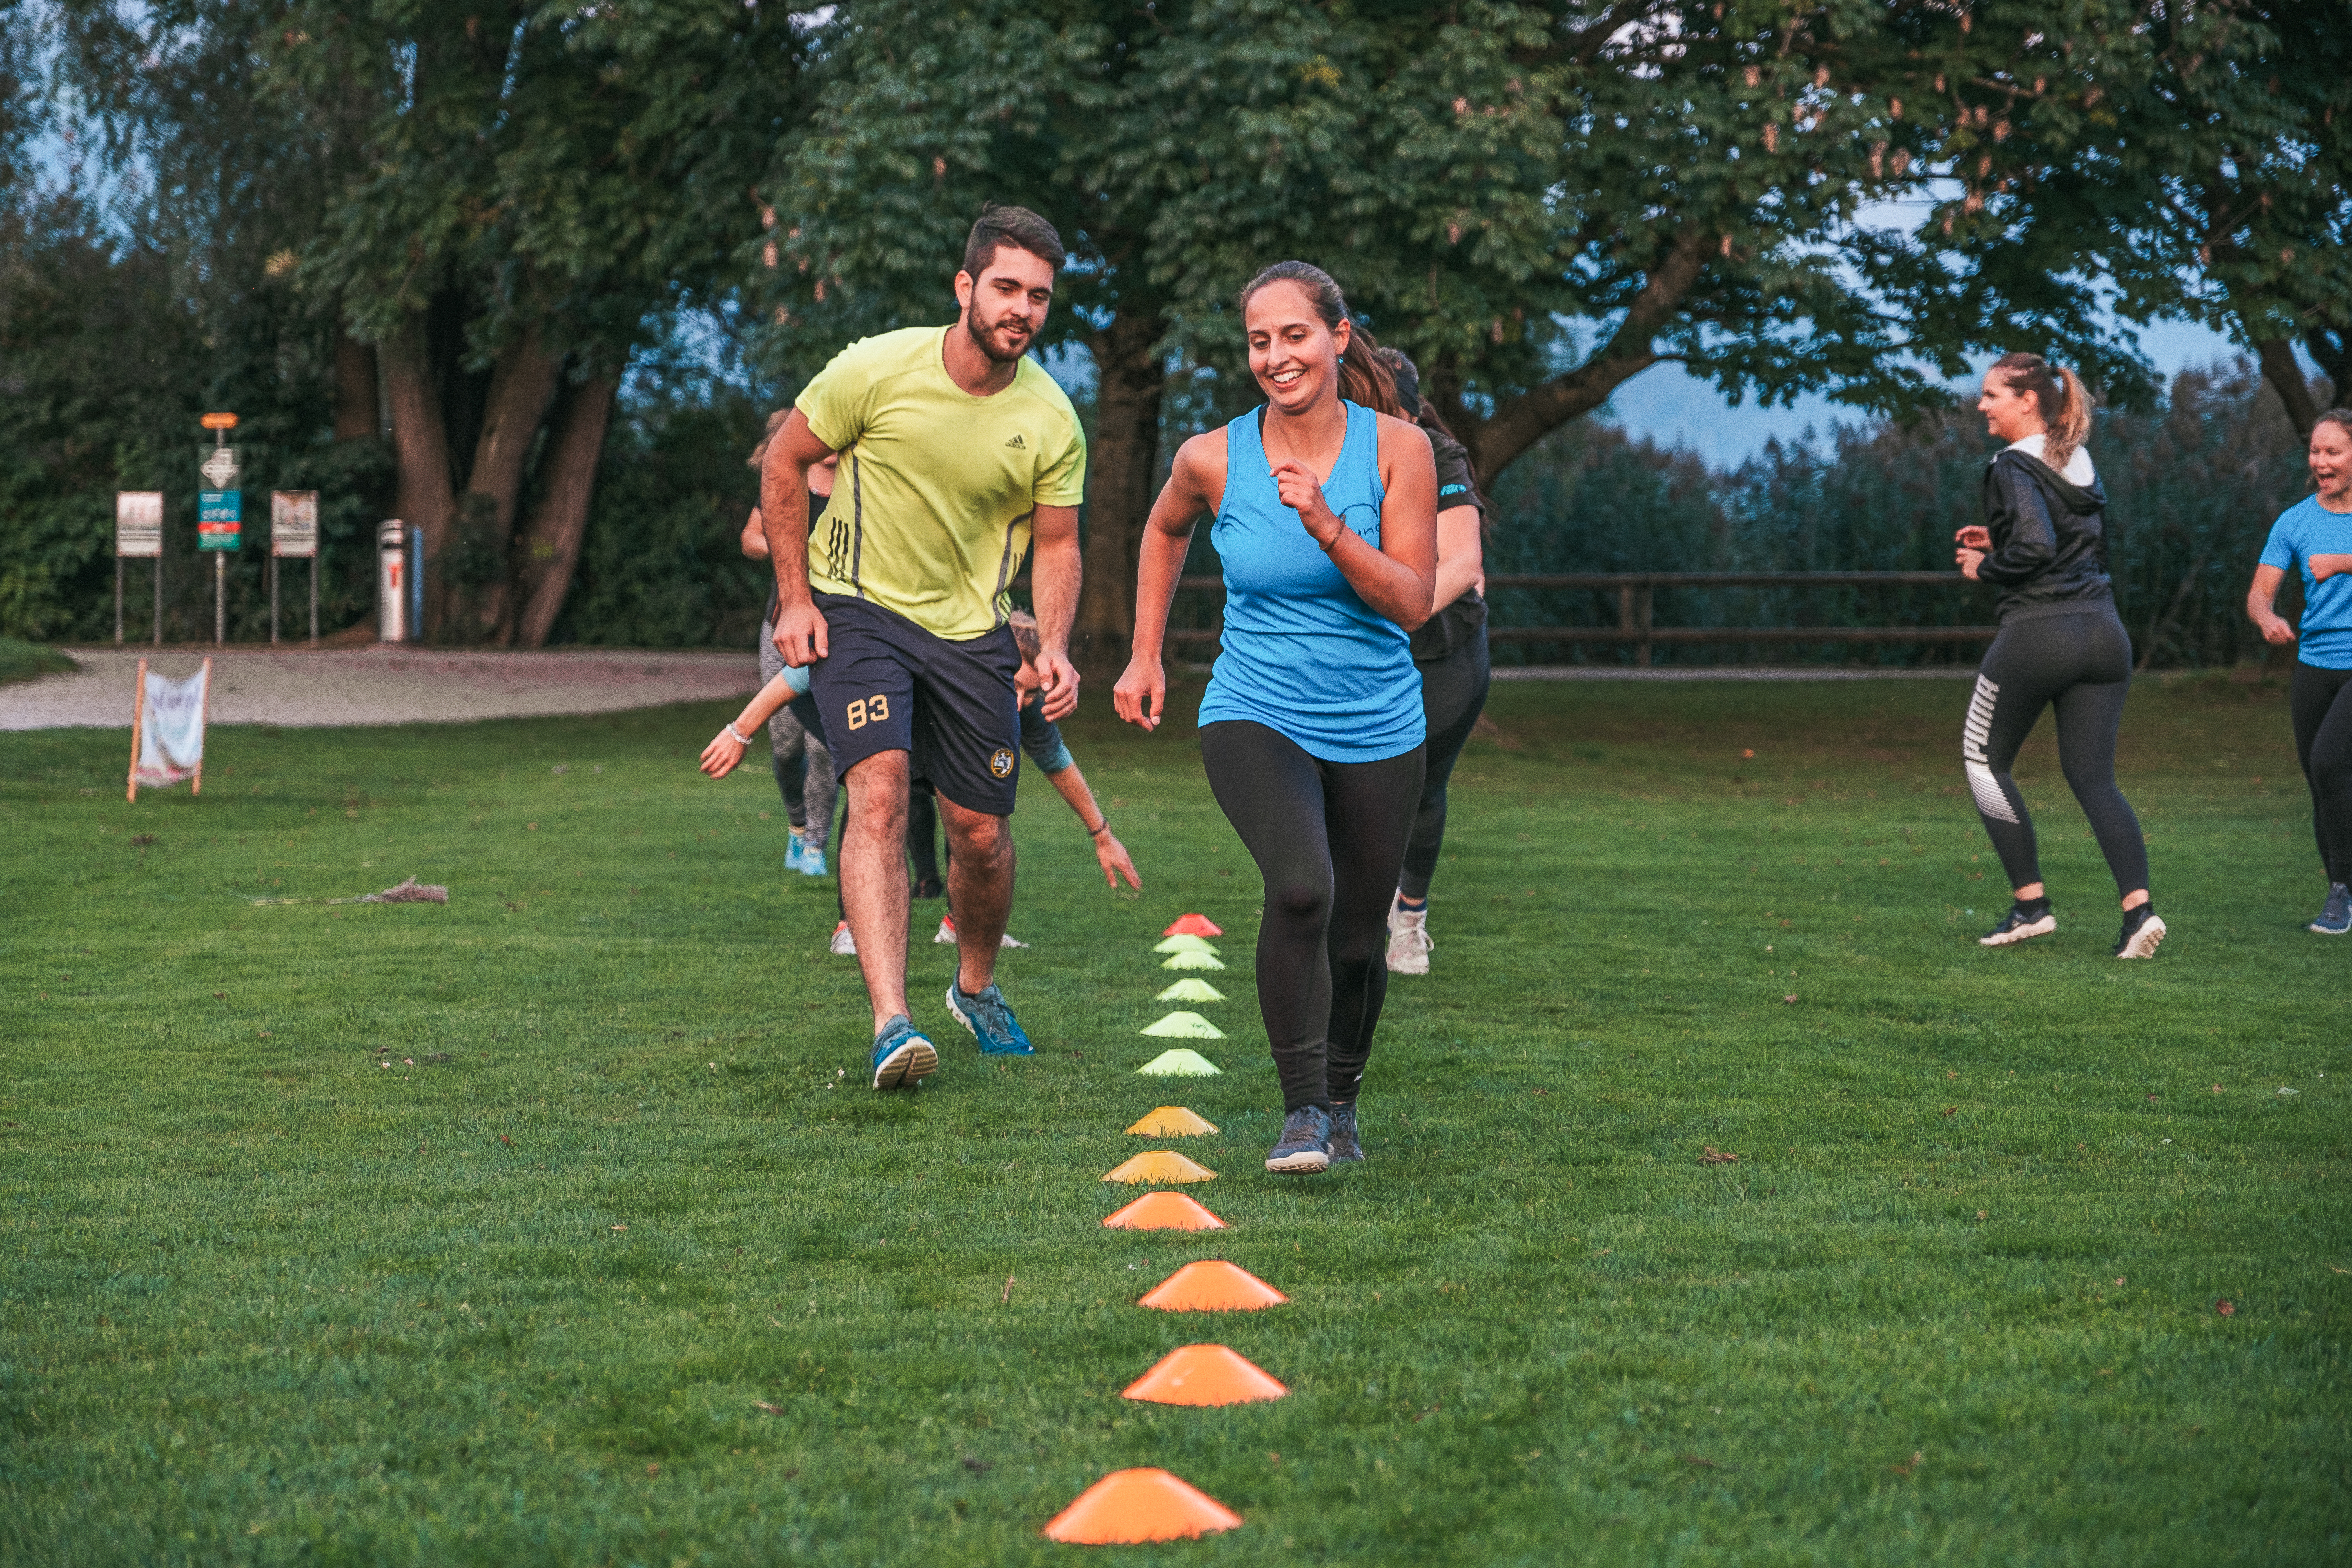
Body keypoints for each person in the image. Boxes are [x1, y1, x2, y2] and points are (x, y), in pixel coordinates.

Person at [1116, 260, 1437, 1174]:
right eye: (1259, 340)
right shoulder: (1212, 455)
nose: (1275, 356)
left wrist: (1332, 526)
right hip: (1256, 710)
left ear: (1338, 337)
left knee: (1358, 934)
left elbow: (1413, 604)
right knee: (1302, 887)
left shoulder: (1396, 452)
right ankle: (1301, 1111)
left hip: (1380, 722)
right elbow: (1163, 528)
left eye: (1294, 335)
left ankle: (1342, 1102)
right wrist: (1145, 651)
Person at [760, 203, 1087, 1091]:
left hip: (974, 631)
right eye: (1007, 288)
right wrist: (795, 598)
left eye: (1039, 297)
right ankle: (890, 1021)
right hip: (859, 612)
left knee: (979, 835)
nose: (1021, 308)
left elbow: (1057, 544)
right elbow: (783, 462)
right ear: (966, 287)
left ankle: (973, 985)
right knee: (876, 795)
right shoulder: (875, 369)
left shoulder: (1053, 419)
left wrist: (1052, 643)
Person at [1954, 351, 2164, 959]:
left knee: (1983, 761)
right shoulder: (2078, 458)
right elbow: (2079, 544)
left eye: (1992, 395)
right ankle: (2138, 913)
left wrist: (1986, 566)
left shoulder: (2009, 464)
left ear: (2028, 401)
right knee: (2095, 778)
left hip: (2041, 635)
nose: (1981, 405)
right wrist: (2002, 537)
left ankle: (2031, 906)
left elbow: (2039, 548)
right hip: (2105, 634)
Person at [1377, 349, 1490, 976]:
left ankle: (1410, 924)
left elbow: (1464, 564)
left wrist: (1395, 609)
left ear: (1412, 411)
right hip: (1372, 653)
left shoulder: (1440, 456)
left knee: (1421, 789)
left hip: (1445, 655)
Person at [2246, 409, 2352, 933]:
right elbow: (2259, 594)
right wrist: (2268, 619)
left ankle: (2340, 893)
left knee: (2330, 762)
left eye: (2334, 452)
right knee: (2323, 780)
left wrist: (2341, 563)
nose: (2321, 462)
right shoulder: (2294, 521)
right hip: (2314, 665)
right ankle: (2344, 890)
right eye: (2316, 451)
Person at [740, 414, 836, 878]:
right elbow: (751, 537)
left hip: (839, 630)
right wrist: (781, 547)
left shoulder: (865, 485)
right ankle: (797, 826)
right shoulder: (788, 478)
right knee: (784, 743)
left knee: (825, 745)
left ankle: (817, 843)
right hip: (782, 625)